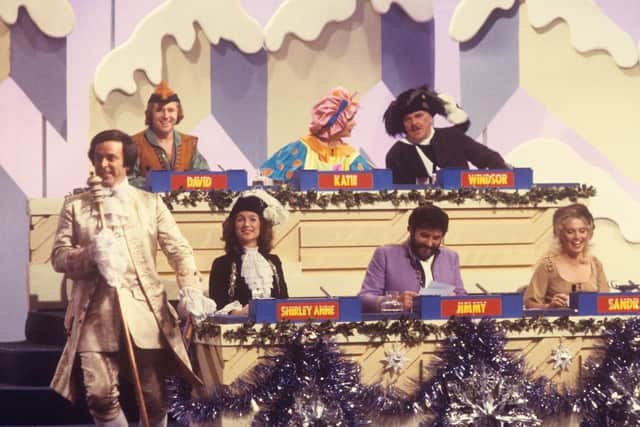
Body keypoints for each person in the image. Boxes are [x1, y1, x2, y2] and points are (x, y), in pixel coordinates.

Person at [50, 129, 216, 427]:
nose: (103, 165)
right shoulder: (75, 206)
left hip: (144, 313)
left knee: (154, 399)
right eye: (98, 158)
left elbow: (179, 251)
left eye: (111, 158)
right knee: (99, 394)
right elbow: (59, 258)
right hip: (93, 316)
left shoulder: (150, 204)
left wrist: (190, 289)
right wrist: (91, 253)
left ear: (126, 162)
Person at [383, 85, 509, 185]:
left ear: (430, 117)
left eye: (419, 116)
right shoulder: (396, 154)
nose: (414, 123)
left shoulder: (453, 137)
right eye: (407, 119)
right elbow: (398, 196)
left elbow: (491, 159)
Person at [358, 204, 466, 312]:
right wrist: (394, 303)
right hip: (401, 327)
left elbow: (462, 297)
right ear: (410, 230)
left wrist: (455, 299)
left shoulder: (451, 257)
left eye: (436, 238)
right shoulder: (385, 255)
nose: (429, 243)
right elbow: (363, 299)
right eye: (424, 236)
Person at [259, 86, 371, 182]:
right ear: (336, 123)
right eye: (350, 119)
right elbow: (269, 182)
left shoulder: (350, 156)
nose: (354, 123)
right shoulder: (301, 149)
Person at [209, 189, 290, 315]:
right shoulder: (222, 264)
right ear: (233, 225)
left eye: (253, 219)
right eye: (240, 219)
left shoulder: (274, 261)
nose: (247, 224)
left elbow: (284, 301)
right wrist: (238, 313)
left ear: (261, 225)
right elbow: (217, 305)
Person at [524, 203, 609, 309]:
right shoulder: (548, 266)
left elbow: (607, 303)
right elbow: (529, 304)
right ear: (560, 234)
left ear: (589, 233)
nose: (577, 237)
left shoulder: (596, 265)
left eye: (582, 231)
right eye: (570, 231)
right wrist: (549, 306)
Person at [129, 80, 210, 187]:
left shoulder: (189, 144)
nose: (166, 116)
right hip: (148, 203)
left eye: (171, 110)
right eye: (159, 110)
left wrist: (183, 182)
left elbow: (204, 178)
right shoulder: (134, 143)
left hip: (183, 204)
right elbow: (125, 182)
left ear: (178, 113)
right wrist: (156, 182)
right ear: (150, 114)